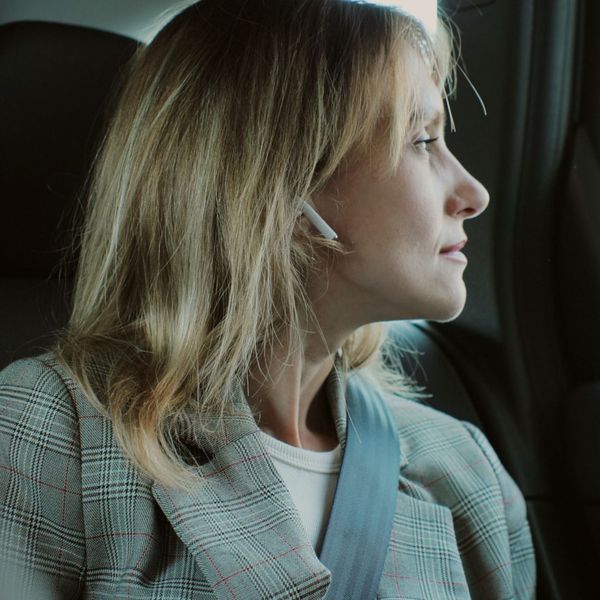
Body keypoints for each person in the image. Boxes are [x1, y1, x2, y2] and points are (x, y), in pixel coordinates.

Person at [0, 0, 536, 598]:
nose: (474, 192)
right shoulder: (43, 437)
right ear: (281, 181)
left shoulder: (464, 470)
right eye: (422, 140)